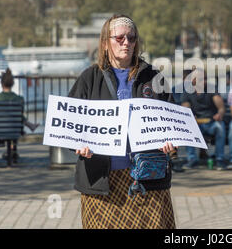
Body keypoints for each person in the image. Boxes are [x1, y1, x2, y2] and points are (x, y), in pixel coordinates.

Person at [68, 14, 176, 229]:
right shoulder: (89, 78)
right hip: (101, 180)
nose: (126, 42)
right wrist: (78, 144)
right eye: (119, 38)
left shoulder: (154, 76)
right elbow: (70, 123)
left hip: (146, 179)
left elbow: (171, 119)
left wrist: (171, 141)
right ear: (105, 43)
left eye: (132, 38)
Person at [0, 68, 39, 163]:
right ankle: (13, 148)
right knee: (15, 118)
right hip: (14, 129)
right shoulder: (19, 99)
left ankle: (12, 149)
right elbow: (20, 115)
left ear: (1, 83)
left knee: (9, 118)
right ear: (12, 84)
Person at [180, 69, 227, 170]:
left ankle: (220, 159)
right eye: (201, 79)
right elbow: (185, 108)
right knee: (188, 128)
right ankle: (192, 160)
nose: (204, 81)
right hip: (196, 124)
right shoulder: (187, 92)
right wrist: (190, 116)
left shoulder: (211, 89)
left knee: (220, 127)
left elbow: (221, 107)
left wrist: (219, 114)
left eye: (205, 78)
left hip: (211, 123)